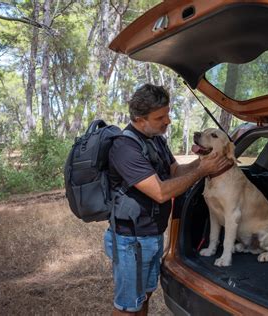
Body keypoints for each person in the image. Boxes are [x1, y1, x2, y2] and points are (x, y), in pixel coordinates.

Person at [104, 84, 231, 315]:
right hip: (131, 241)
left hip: (150, 236)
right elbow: (161, 192)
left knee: (144, 296)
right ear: (140, 119)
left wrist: (203, 162)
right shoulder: (125, 148)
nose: (168, 121)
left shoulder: (155, 139)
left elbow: (175, 173)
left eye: (168, 114)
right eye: (160, 117)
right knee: (127, 306)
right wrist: (202, 171)